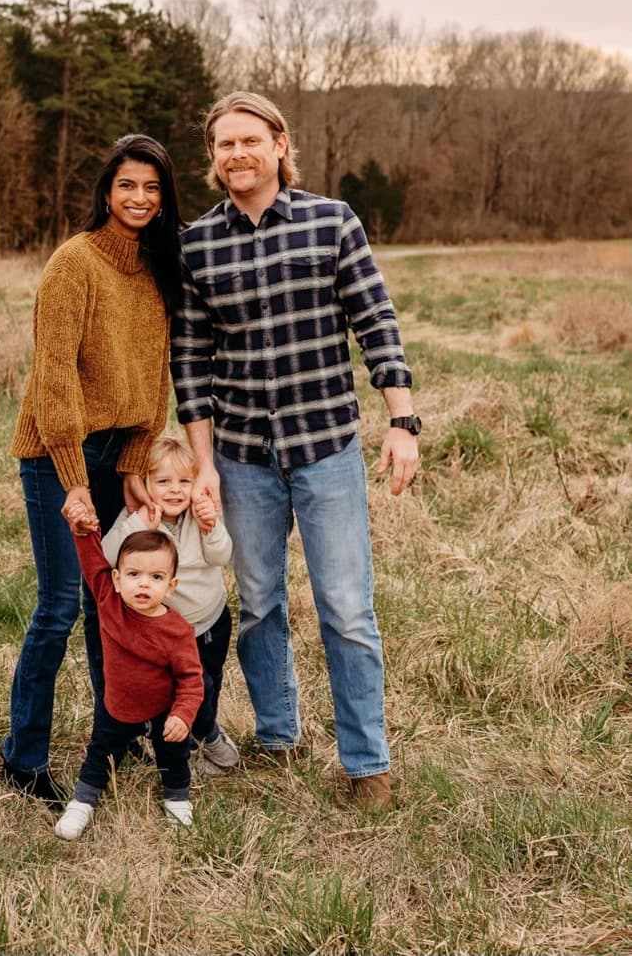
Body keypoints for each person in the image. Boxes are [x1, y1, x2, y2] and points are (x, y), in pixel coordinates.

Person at [170, 92, 420, 809]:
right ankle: (278, 737)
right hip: (243, 455)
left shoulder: (330, 221)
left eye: (250, 140)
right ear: (212, 158)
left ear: (279, 144)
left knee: (345, 608)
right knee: (258, 605)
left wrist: (401, 421)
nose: (237, 154)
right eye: (224, 145)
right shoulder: (198, 244)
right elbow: (188, 361)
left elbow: (375, 321)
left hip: (325, 450)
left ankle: (366, 764)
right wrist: (205, 463)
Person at [1, 134, 183, 808]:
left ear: (164, 198)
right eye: (126, 185)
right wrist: (74, 478)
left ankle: (120, 728)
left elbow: (154, 375)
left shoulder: (157, 269)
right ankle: (22, 756)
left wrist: (135, 464)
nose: (138, 198)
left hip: (117, 458)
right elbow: (53, 377)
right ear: (105, 191)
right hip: (59, 454)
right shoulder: (72, 264)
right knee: (58, 606)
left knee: (116, 602)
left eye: (152, 188)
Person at [54, 524, 204, 840]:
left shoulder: (177, 631)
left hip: (164, 709)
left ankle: (177, 799)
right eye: (133, 574)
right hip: (118, 707)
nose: (143, 584)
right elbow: (93, 563)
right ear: (117, 580)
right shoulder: (110, 604)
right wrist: (82, 531)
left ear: (171, 586)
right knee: (100, 754)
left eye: (156, 577)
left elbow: (191, 679)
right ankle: (82, 803)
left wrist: (182, 714)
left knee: (173, 755)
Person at [102, 433, 239, 774]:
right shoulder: (140, 521)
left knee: (207, 684)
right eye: (163, 481)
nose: (174, 490)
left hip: (209, 621)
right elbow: (108, 554)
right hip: (167, 631)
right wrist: (136, 524)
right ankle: (187, 742)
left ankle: (203, 735)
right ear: (145, 484)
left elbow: (222, 555)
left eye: (184, 481)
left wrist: (211, 528)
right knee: (175, 688)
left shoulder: (199, 515)